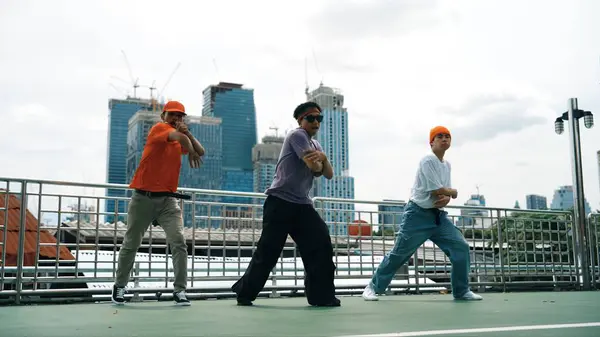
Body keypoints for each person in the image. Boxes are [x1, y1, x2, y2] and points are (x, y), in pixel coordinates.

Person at [231, 101, 341, 307]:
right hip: (280, 202)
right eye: (311, 118)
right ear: (301, 120)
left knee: (321, 243)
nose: (316, 121)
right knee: (269, 251)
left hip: (302, 204)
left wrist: (324, 158)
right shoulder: (296, 135)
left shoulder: (317, 145)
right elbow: (314, 167)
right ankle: (244, 292)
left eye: (319, 118)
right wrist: (320, 162)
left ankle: (322, 296)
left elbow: (328, 174)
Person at [362, 126, 482, 301]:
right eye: (439, 136)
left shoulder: (446, 165)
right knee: (399, 254)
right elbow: (437, 190)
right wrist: (453, 193)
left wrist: (446, 198)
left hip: (438, 217)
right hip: (417, 215)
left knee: (460, 247)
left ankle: (462, 291)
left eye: (447, 136)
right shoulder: (427, 160)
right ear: (431, 142)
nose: (444, 139)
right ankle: (372, 287)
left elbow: (443, 193)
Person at [111, 100, 205, 306]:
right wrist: (188, 145)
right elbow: (181, 139)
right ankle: (119, 285)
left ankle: (180, 290)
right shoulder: (158, 129)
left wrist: (189, 139)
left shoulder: (179, 140)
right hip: (143, 198)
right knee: (131, 243)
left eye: (180, 116)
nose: (176, 119)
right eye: (172, 115)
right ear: (163, 116)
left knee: (178, 242)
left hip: (168, 201)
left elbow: (201, 150)